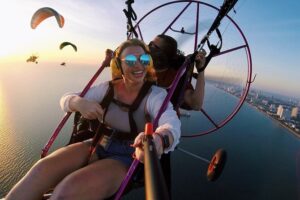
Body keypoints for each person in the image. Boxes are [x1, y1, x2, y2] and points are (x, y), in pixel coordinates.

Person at [5, 39, 181, 200]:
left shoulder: (156, 95)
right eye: (129, 60)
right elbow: (67, 98)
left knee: (67, 191)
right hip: (97, 143)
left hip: (127, 157)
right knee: (41, 170)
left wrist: (159, 139)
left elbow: (171, 125)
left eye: (143, 58)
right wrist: (78, 102)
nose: (138, 65)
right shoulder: (107, 88)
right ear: (119, 65)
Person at [149, 34, 206, 111]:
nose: (148, 47)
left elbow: (196, 105)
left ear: (163, 53)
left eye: (152, 45)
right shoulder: (142, 67)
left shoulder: (175, 79)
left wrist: (201, 70)